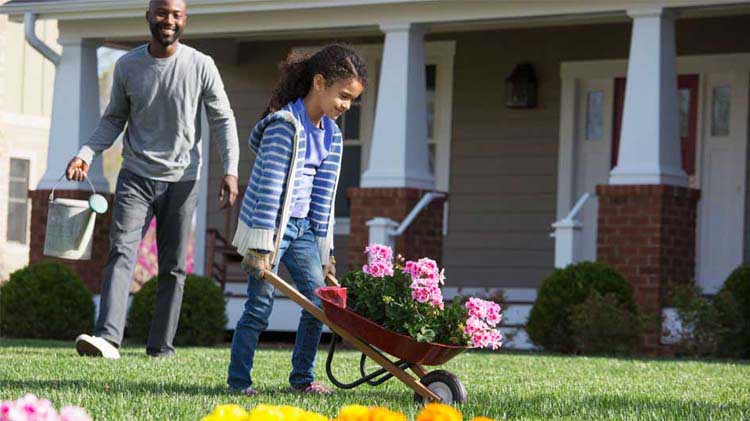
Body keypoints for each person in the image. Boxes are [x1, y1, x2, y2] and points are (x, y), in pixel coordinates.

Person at [67, 0, 240, 359]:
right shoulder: (128, 66)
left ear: (185, 20)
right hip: (136, 176)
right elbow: (114, 118)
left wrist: (230, 169)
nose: (168, 20)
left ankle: (161, 348)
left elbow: (223, 119)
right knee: (121, 252)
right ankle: (107, 339)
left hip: (184, 178)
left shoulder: (200, 65)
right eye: (162, 13)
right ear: (148, 15)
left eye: (176, 15)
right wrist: (86, 153)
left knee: (174, 267)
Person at [227, 45, 367, 395]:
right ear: (319, 82)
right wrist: (260, 246)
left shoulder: (331, 135)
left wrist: (325, 251)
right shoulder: (284, 127)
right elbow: (268, 191)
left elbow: (324, 198)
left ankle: (302, 380)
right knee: (259, 307)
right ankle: (239, 382)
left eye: (352, 100)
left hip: (303, 227)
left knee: (318, 304)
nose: (346, 106)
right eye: (343, 96)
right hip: (270, 229)